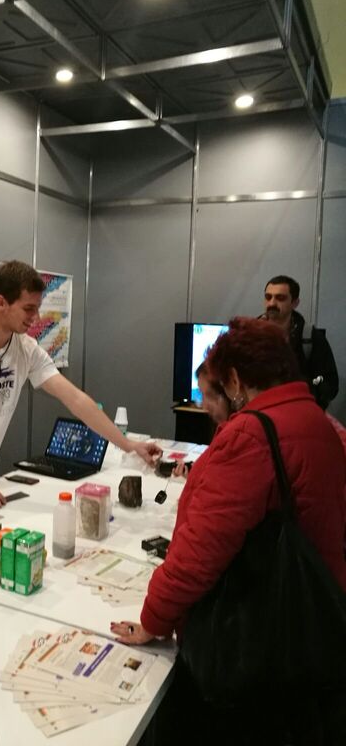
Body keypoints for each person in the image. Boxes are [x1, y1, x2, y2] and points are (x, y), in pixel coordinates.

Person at [111, 317, 346, 745]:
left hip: (255, 644)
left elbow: (199, 553)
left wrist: (153, 620)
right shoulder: (316, 420)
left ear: (235, 379)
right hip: (314, 626)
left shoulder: (252, 434)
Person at [0, 260, 161, 515]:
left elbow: (75, 399)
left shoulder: (25, 348)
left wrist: (129, 445)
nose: (36, 318)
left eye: (37, 308)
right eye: (28, 308)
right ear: (1, 302)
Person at [261, 274, 338, 409]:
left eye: (280, 298)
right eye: (268, 297)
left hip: (298, 411)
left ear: (295, 303)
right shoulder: (249, 335)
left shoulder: (310, 338)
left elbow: (330, 385)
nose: (272, 303)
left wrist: (303, 391)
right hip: (258, 411)